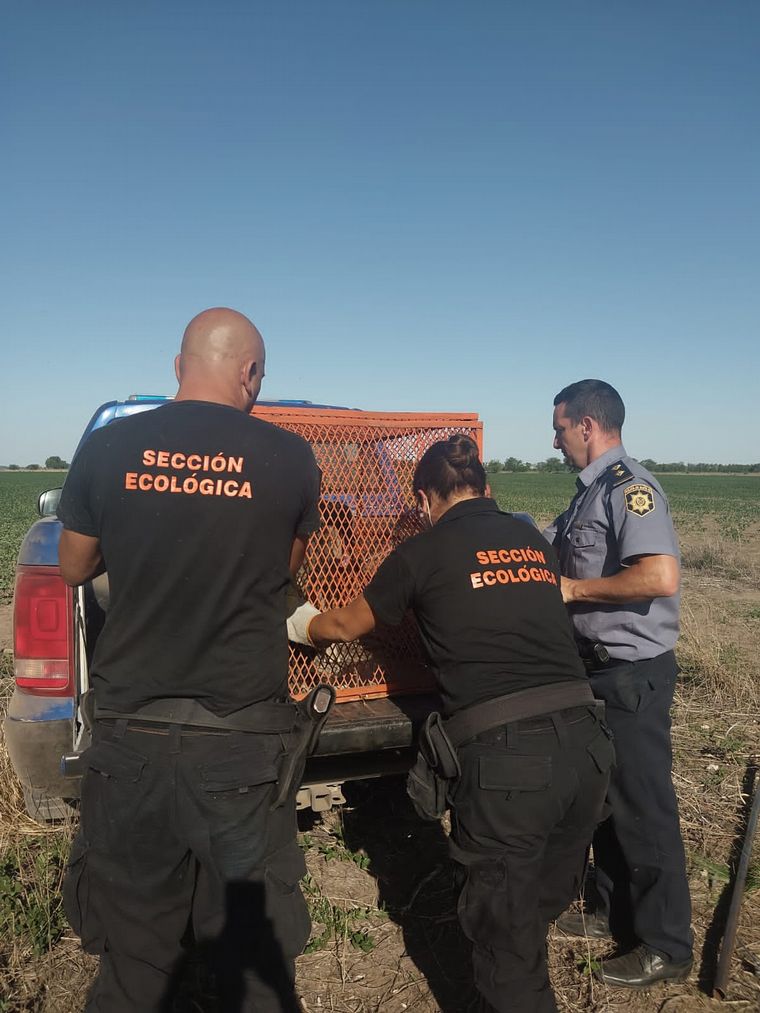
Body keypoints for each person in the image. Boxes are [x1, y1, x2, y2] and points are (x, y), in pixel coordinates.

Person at [289, 434, 614, 1013]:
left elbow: (345, 626)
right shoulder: (530, 540)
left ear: (419, 500)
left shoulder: (420, 553)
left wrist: (299, 622)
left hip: (511, 763)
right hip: (588, 747)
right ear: (486, 489)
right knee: (535, 905)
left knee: (506, 944)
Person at [57, 307, 322, 1012]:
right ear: (251, 374)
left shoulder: (111, 447)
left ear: (178, 366)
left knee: (134, 962)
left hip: (130, 739)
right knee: (253, 964)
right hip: (238, 745)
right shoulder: (290, 458)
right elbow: (281, 573)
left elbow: (74, 565)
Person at [545, 378, 692, 989]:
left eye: (558, 430)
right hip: (596, 669)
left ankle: (665, 944)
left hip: (632, 675)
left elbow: (658, 576)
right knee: (603, 796)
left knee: (643, 807)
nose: (553, 442)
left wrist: (574, 591)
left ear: (586, 424)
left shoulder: (631, 490)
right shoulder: (588, 495)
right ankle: (609, 911)